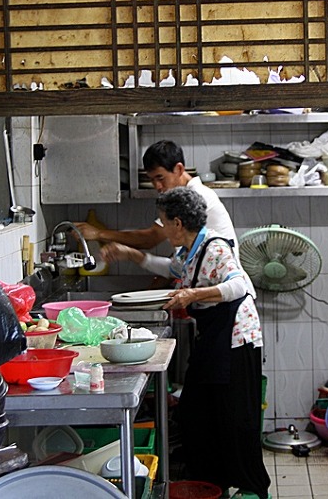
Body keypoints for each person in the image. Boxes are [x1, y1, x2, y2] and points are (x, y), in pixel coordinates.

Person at [100, 187, 270, 499]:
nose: (161, 229)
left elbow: (237, 285)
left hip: (235, 338)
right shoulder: (189, 250)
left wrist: (192, 295)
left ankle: (253, 488)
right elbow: (172, 269)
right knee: (196, 410)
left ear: (178, 223)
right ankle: (212, 481)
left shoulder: (214, 247)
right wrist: (130, 254)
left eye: (163, 222)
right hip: (215, 337)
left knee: (234, 417)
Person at [75, 139, 238, 249]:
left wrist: (98, 233)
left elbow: (151, 237)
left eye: (160, 178)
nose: (157, 186)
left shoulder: (195, 197)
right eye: (152, 180)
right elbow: (175, 264)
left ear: (179, 169)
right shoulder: (182, 196)